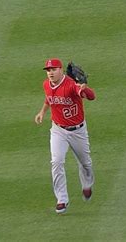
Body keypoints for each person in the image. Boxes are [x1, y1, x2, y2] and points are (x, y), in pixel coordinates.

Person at [34, 58, 96, 214]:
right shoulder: (46, 84)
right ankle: (62, 200)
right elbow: (49, 98)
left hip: (78, 131)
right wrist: (42, 112)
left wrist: (85, 88)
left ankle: (87, 185)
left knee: (86, 163)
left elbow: (91, 96)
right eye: (48, 70)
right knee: (56, 161)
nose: (50, 73)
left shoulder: (71, 86)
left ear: (60, 69)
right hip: (58, 130)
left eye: (53, 69)